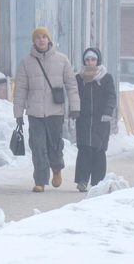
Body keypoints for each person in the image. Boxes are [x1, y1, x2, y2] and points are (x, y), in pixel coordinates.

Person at [13, 27, 80, 192]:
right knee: (38, 146)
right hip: (35, 112)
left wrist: (75, 107)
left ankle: (56, 168)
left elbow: (72, 86)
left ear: (49, 40)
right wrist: (18, 114)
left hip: (55, 111)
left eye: (44, 37)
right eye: (38, 38)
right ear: (34, 41)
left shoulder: (62, 60)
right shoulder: (26, 62)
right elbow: (20, 90)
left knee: (54, 145)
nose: (41, 40)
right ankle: (40, 181)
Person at [73, 48, 117, 192]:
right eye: (87, 60)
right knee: (84, 149)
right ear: (84, 61)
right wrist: (74, 111)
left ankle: (98, 183)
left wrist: (108, 112)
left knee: (99, 150)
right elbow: (73, 95)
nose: (90, 63)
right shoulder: (79, 79)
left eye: (93, 59)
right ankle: (82, 180)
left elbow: (111, 96)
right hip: (84, 120)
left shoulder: (106, 78)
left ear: (98, 61)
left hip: (101, 120)